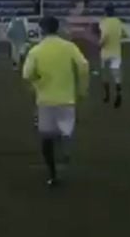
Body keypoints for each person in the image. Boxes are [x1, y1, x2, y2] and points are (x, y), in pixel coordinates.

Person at [22, 16, 90, 187]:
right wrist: (81, 89)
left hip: (45, 99)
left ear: (42, 29)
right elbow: (83, 66)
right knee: (65, 129)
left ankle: (52, 174)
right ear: (57, 28)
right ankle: (64, 145)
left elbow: (27, 74)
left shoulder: (36, 50)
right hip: (66, 98)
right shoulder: (68, 47)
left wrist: (37, 83)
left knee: (46, 138)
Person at [99, 5, 128, 108]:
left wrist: (100, 45)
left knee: (105, 74)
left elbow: (104, 36)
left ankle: (107, 96)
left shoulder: (103, 22)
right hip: (116, 51)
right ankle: (118, 92)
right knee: (116, 74)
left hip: (106, 52)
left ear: (105, 12)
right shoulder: (118, 22)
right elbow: (125, 34)